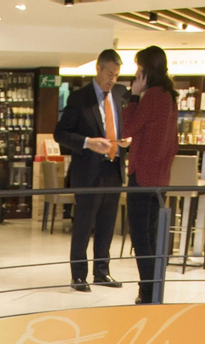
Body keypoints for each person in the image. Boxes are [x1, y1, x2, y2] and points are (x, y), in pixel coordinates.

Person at [55, 49, 129, 293]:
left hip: (113, 168)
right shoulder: (80, 98)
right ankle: (78, 275)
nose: (112, 79)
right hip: (88, 170)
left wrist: (126, 140)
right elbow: (61, 133)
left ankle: (102, 272)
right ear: (98, 69)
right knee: (84, 224)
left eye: (116, 75)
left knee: (107, 223)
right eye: (109, 74)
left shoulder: (119, 95)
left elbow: (122, 125)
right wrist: (88, 142)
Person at [119, 46, 178, 306]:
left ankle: (149, 292)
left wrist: (132, 97)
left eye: (138, 68)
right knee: (151, 236)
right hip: (159, 178)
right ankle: (152, 289)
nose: (135, 74)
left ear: (146, 70)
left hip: (143, 176)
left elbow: (128, 128)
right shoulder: (169, 96)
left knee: (141, 237)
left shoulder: (152, 96)